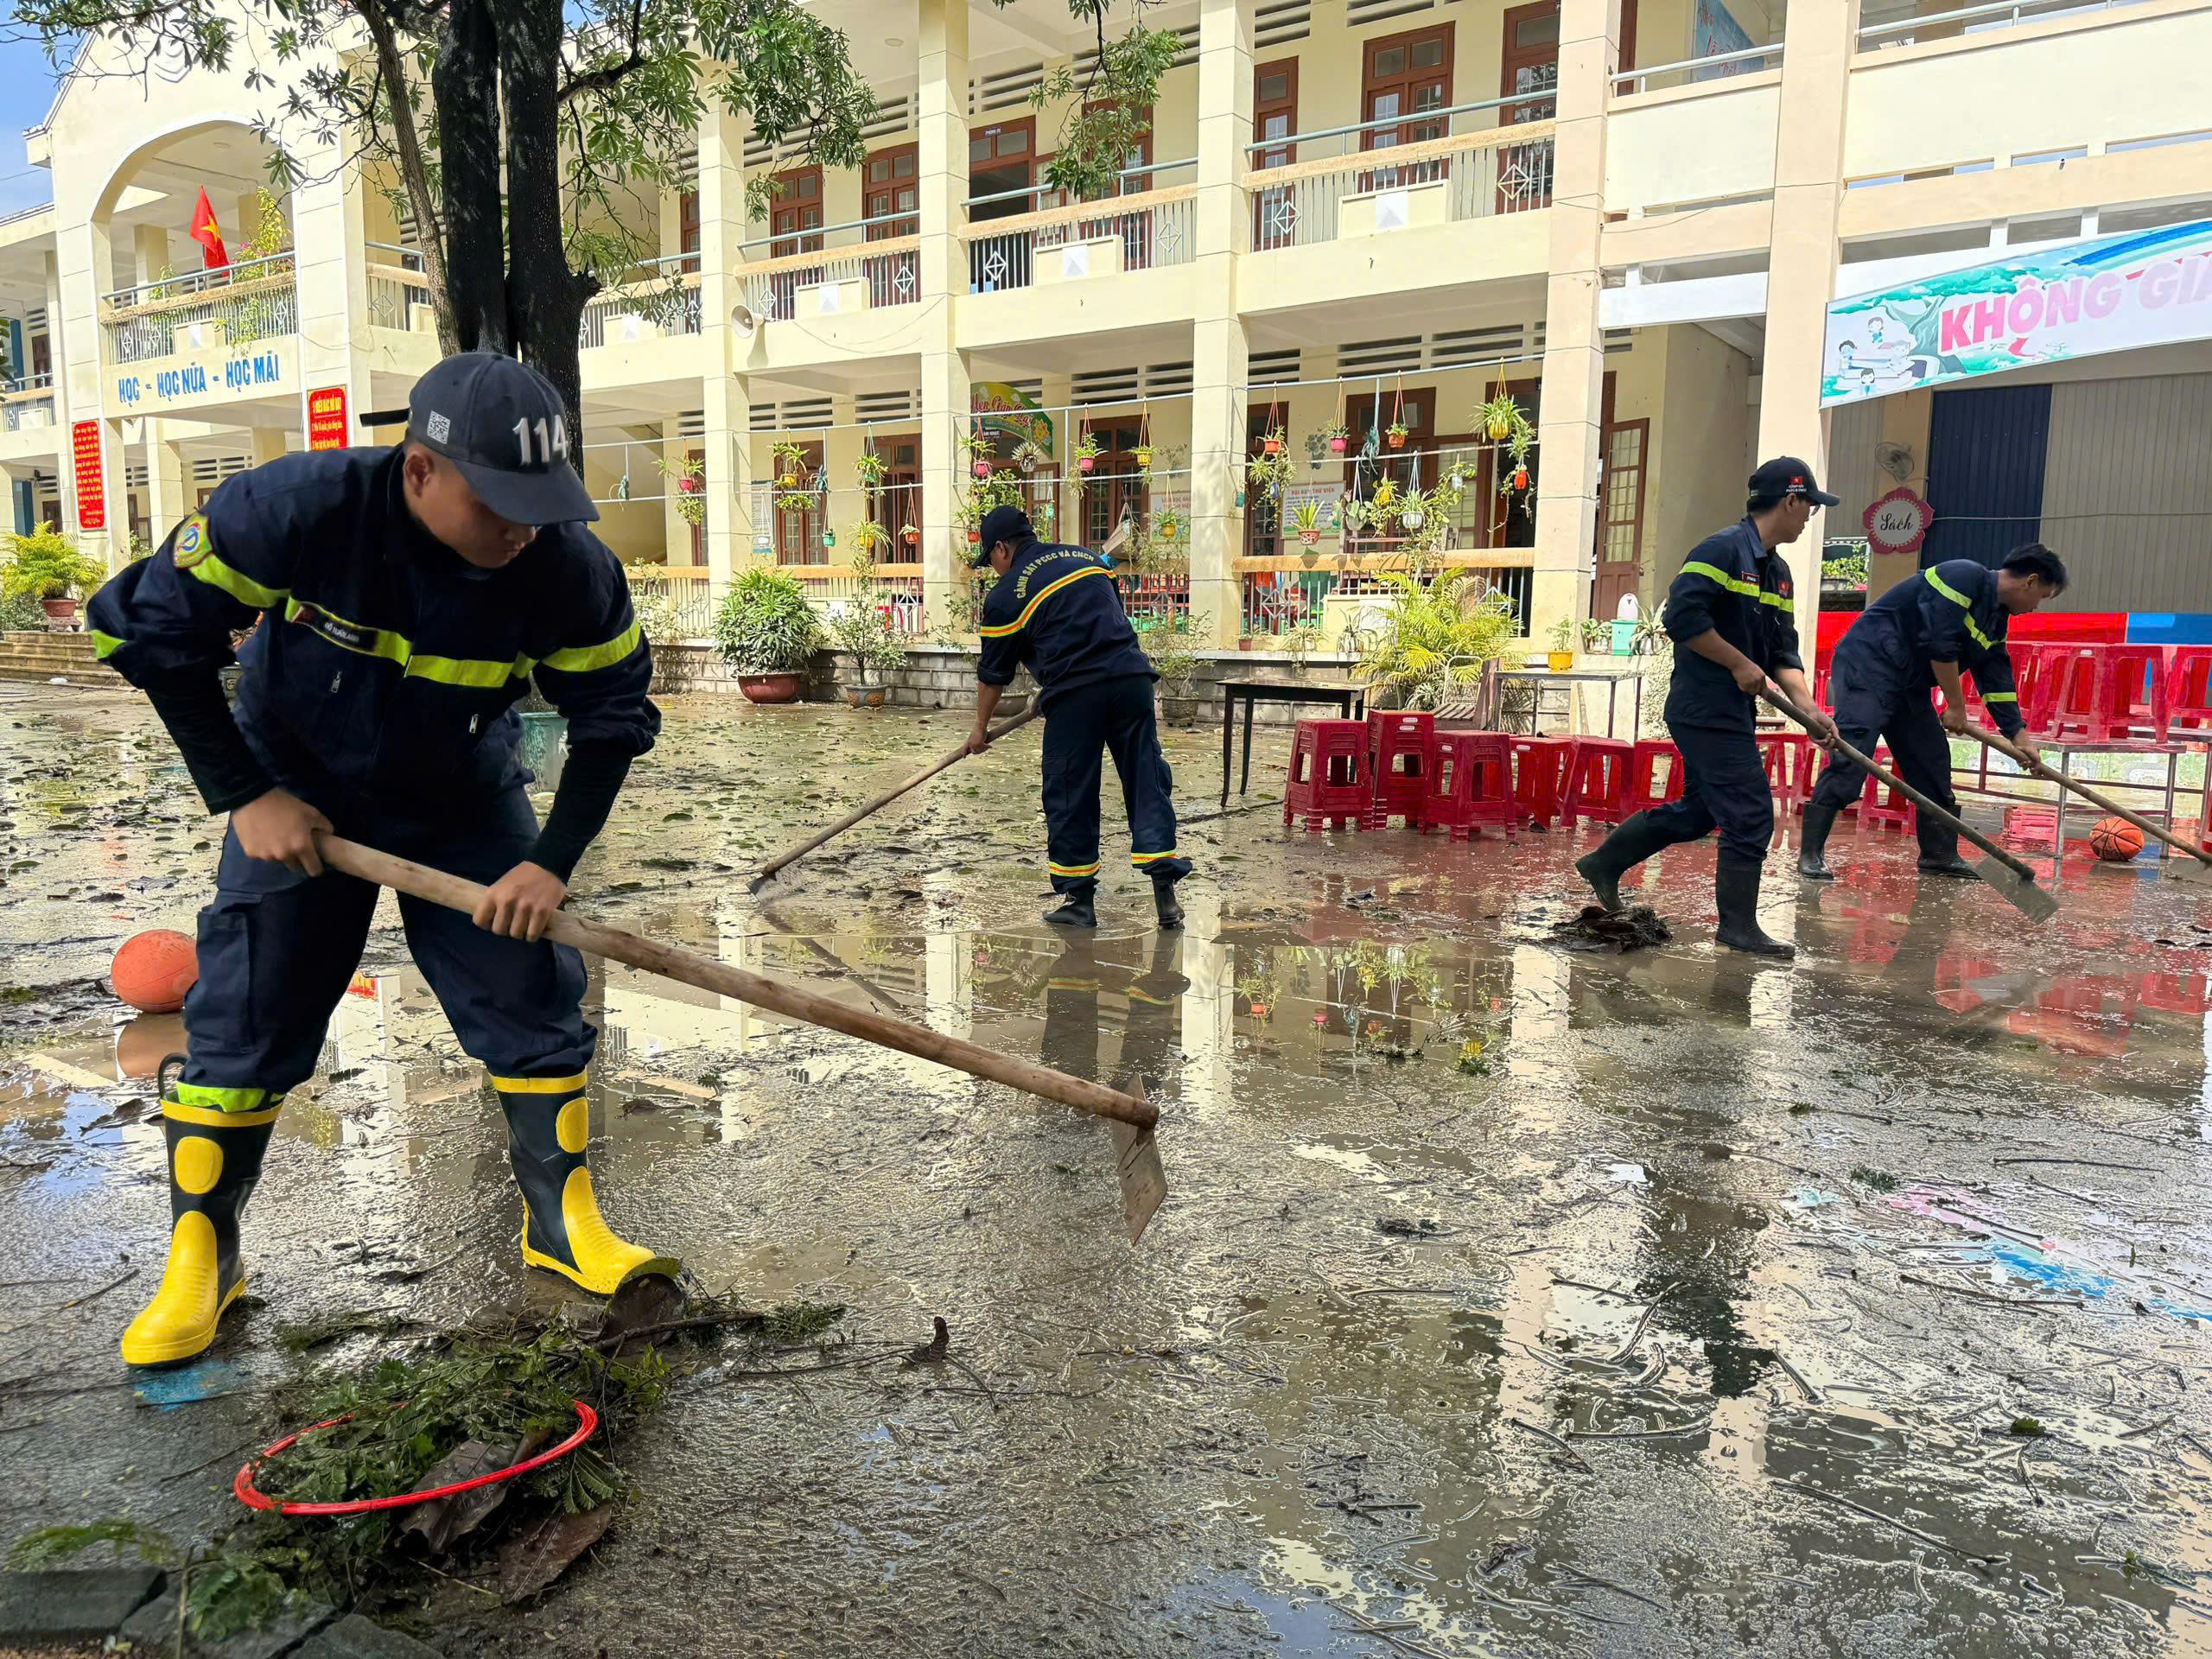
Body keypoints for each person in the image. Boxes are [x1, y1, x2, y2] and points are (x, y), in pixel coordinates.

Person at [89, 350, 674, 1367]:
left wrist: (549, 861)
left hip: (460, 791)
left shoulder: (568, 569)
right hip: (295, 785)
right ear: (417, 471)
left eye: (539, 504)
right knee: (248, 1011)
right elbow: (149, 636)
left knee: (526, 990)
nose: (519, 528)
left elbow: (613, 719)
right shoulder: (293, 510)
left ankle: (562, 1221)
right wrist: (246, 796)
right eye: (497, 503)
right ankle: (203, 1259)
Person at [1574, 458, 1840, 958]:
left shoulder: (1777, 573)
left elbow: (1783, 650)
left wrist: (1809, 706)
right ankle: (1737, 927)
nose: (1810, 517)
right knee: (1751, 813)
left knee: (1702, 813)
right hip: (1702, 706)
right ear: (1790, 500)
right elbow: (1682, 617)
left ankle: (1605, 863)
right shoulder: (1720, 551)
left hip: (1731, 710)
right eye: (1809, 506)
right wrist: (1740, 663)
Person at [964, 505, 1190, 931]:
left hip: (1076, 696)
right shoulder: (1088, 559)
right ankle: (1166, 899)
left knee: (1070, 790)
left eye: (990, 560)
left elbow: (994, 674)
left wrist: (979, 730)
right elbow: (1097, 622)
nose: (992, 570)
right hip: (1132, 680)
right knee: (1147, 780)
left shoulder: (1006, 594)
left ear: (1001, 547)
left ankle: (1079, 902)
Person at [1799, 543, 2067, 881]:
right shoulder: (1961, 575)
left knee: (1932, 761)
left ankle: (1939, 855)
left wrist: (2019, 736)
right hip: (1869, 665)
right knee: (1854, 754)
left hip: (1908, 683)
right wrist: (1955, 706)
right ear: (2030, 581)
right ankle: (1810, 854)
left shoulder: (1995, 621)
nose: (2035, 607)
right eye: (2042, 597)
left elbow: (1995, 679)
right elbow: (1940, 644)